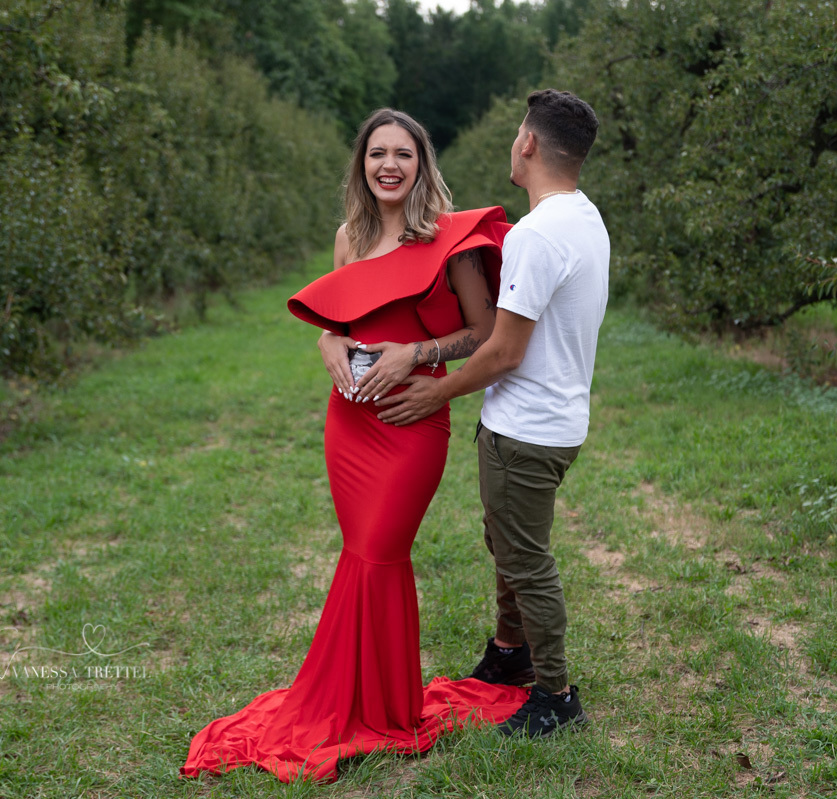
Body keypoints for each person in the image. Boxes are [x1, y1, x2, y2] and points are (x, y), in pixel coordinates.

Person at [179, 109, 528, 784]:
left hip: (413, 418)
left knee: (380, 552)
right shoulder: (351, 236)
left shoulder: (449, 240)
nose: (389, 165)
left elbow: (485, 332)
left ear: (422, 163)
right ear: (362, 165)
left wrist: (418, 353)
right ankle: (362, 702)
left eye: (403, 153)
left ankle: (383, 709)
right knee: (359, 552)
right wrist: (327, 341)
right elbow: (338, 321)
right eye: (377, 154)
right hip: (351, 420)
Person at [377, 89, 609, 738]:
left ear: (528, 144)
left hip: (527, 428)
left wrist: (433, 391)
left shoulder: (537, 235)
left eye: (515, 134)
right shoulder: (584, 217)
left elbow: (504, 349)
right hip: (558, 421)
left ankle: (555, 695)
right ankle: (510, 654)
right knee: (506, 542)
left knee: (527, 559)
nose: (513, 142)